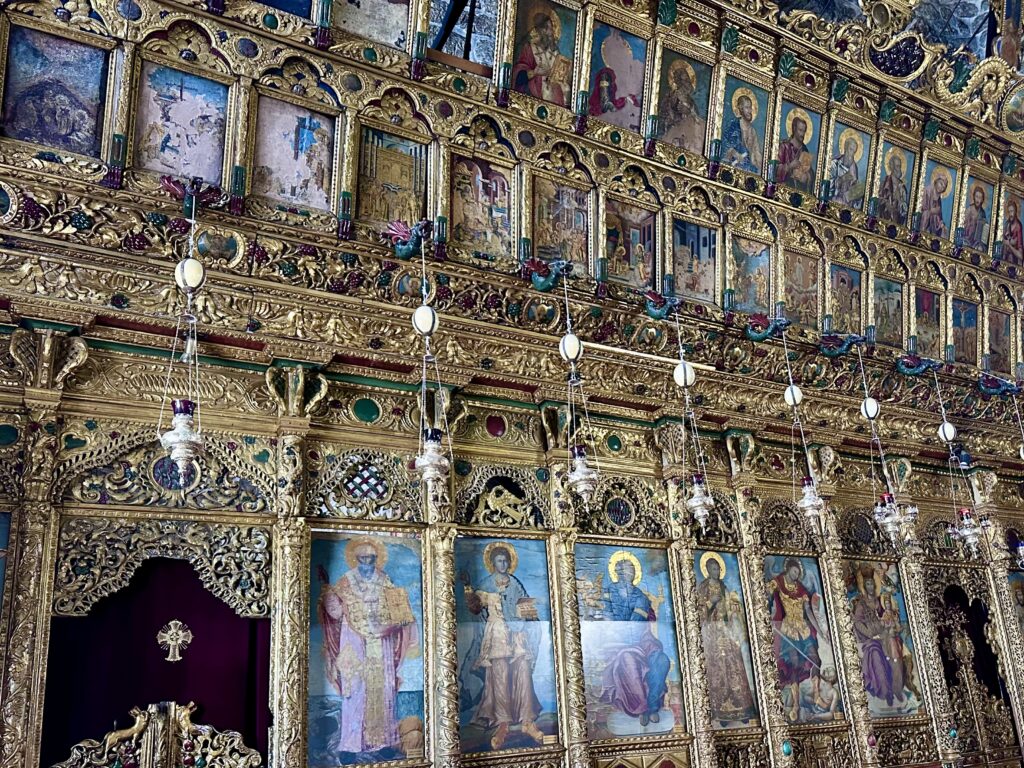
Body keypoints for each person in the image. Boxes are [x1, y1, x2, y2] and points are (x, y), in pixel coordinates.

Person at [318, 538, 418, 758]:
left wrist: (398, 615)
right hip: (354, 645)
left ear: (376, 559)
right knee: (355, 692)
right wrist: (326, 589)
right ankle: (351, 746)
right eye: (363, 558)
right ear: (355, 559)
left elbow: (398, 611)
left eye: (371, 559)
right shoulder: (346, 582)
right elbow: (335, 612)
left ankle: (382, 744)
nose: (367, 563)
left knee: (383, 692)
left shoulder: (385, 581)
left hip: (380, 645)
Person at [461, 543, 545, 750]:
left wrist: (529, 612)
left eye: (506, 560)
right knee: (499, 677)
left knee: (522, 673)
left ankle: (527, 721)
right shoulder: (487, 583)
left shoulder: (515, 583)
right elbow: (474, 609)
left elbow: (525, 606)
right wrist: (468, 588)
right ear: (492, 563)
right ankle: (502, 723)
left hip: (516, 635)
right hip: (497, 635)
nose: (503, 563)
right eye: (499, 560)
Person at [597, 552, 671, 726]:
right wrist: (613, 629)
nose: (626, 573)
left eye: (630, 569)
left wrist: (623, 629)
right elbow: (606, 616)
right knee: (628, 659)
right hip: (616, 642)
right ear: (616, 572)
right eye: (622, 569)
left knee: (661, 660)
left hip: (641, 640)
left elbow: (636, 623)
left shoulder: (641, 597)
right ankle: (641, 709)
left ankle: (652, 706)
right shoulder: (608, 591)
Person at [695, 552, 758, 724]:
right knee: (718, 667)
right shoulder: (703, 587)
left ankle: (741, 708)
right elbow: (698, 612)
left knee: (734, 664)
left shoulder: (724, 587)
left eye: (717, 568)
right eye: (712, 568)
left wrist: (733, 611)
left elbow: (732, 606)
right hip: (713, 632)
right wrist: (710, 603)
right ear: (707, 570)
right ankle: (720, 710)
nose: (715, 571)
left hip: (727, 630)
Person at [767, 558, 826, 722]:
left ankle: (816, 695)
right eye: (795, 572)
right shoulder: (777, 582)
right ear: (788, 569)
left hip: (804, 630)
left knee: (815, 660)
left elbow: (808, 611)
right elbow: (765, 600)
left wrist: (820, 631)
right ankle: (795, 705)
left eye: (799, 573)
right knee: (793, 664)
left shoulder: (801, 589)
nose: (797, 575)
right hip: (787, 630)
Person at [851, 569, 914, 709]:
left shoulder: (881, 601)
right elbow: (857, 622)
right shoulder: (861, 604)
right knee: (876, 656)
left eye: (872, 584)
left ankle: (897, 689)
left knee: (895, 658)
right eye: (867, 584)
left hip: (886, 636)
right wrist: (870, 634)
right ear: (864, 587)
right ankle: (886, 693)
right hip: (871, 640)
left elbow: (889, 618)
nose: (870, 587)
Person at [512, 11, 570, 107]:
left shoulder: (555, 52)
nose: (551, 33)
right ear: (539, 30)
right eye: (547, 29)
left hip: (554, 94)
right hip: (534, 92)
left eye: (551, 29)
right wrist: (534, 72)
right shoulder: (530, 48)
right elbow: (518, 73)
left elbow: (559, 74)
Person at [659, 59, 706, 154]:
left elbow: (695, 115)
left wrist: (689, 111)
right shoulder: (672, 96)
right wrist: (676, 115)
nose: (688, 83)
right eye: (684, 80)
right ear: (678, 81)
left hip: (691, 129)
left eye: (688, 80)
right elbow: (665, 115)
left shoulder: (690, 100)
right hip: (677, 129)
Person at [721, 91, 763, 173]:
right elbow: (725, 144)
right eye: (747, 107)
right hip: (732, 167)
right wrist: (734, 152)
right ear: (740, 108)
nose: (749, 111)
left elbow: (756, 151)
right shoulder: (734, 125)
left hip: (748, 169)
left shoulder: (752, 131)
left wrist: (762, 166)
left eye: (750, 107)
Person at [777, 114, 814, 192]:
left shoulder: (805, 150)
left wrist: (806, 177)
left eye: (804, 131)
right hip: (782, 190)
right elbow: (775, 168)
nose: (802, 134)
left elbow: (810, 173)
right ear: (794, 129)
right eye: (800, 130)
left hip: (798, 191)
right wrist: (790, 166)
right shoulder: (784, 146)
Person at [828, 133, 861, 207]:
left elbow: (855, 193)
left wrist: (857, 189)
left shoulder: (854, 168)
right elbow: (827, 185)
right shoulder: (835, 163)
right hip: (832, 203)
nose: (852, 154)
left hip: (847, 205)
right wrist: (842, 179)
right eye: (851, 149)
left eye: (854, 151)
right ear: (845, 147)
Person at [878, 151, 910, 225]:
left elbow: (905, 209)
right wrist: (886, 203)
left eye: (900, 166)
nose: (899, 169)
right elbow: (878, 199)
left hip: (897, 221)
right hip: (883, 220)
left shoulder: (902, 188)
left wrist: (900, 200)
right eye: (897, 166)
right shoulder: (884, 184)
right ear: (892, 167)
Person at [920, 170, 950, 238]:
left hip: (933, 226)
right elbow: (921, 211)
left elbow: (939, 215)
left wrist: (941, 223)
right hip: (924, 223)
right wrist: (932, 211)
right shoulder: (927, 191)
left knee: (944, 230)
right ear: (936, 181)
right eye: (941, 184)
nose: (942, 187)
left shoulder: (938, 198)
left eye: (944, 187)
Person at [963, 184, 989, 250]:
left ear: (982, 200)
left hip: (977, 241)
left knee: (980, 249)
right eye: (976, 196)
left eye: (980, 198)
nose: (978, 200)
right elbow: (963, 224)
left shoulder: (982, 213)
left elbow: (985, 229)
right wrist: (970, 224)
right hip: (967, 237)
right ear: (974, 197)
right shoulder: (969, 209)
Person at [1004, 198, 1024, 265]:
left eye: (1012, 211)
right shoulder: (1007, 224)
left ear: (1015, 211)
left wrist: (1009, 245)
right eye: (1009, 212)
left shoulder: (1018, 226)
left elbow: (1021, 256)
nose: (1010, 214)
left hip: (1015, 261)